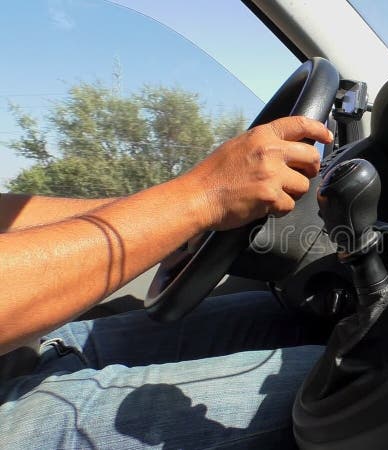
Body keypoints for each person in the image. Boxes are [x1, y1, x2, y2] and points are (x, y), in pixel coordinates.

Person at [0, 116, 333, 448]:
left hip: (25, 350)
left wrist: (164, 223)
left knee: (274, 317)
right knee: (335, 387)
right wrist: (201, 196)